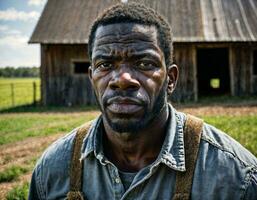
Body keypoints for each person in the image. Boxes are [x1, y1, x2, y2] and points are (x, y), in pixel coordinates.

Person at [28, 2, 257, 200]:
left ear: (171, 79)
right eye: (105, 65)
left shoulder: (236, 178)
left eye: (145, 63)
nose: (123, 80)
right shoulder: (51, 171)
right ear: (92, 79)